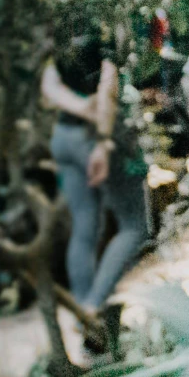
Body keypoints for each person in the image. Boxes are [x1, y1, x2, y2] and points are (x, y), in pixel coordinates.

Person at [42, 30, 151, 314]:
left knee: (85, 227)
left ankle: (82, 309)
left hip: (64, 136)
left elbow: (50, 88)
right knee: (135, 226)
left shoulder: (59, 48)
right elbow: (108, 90)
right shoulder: (102, 40)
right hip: (95, 139)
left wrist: (79, 107)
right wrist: (103, 142)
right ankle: (94, 304)